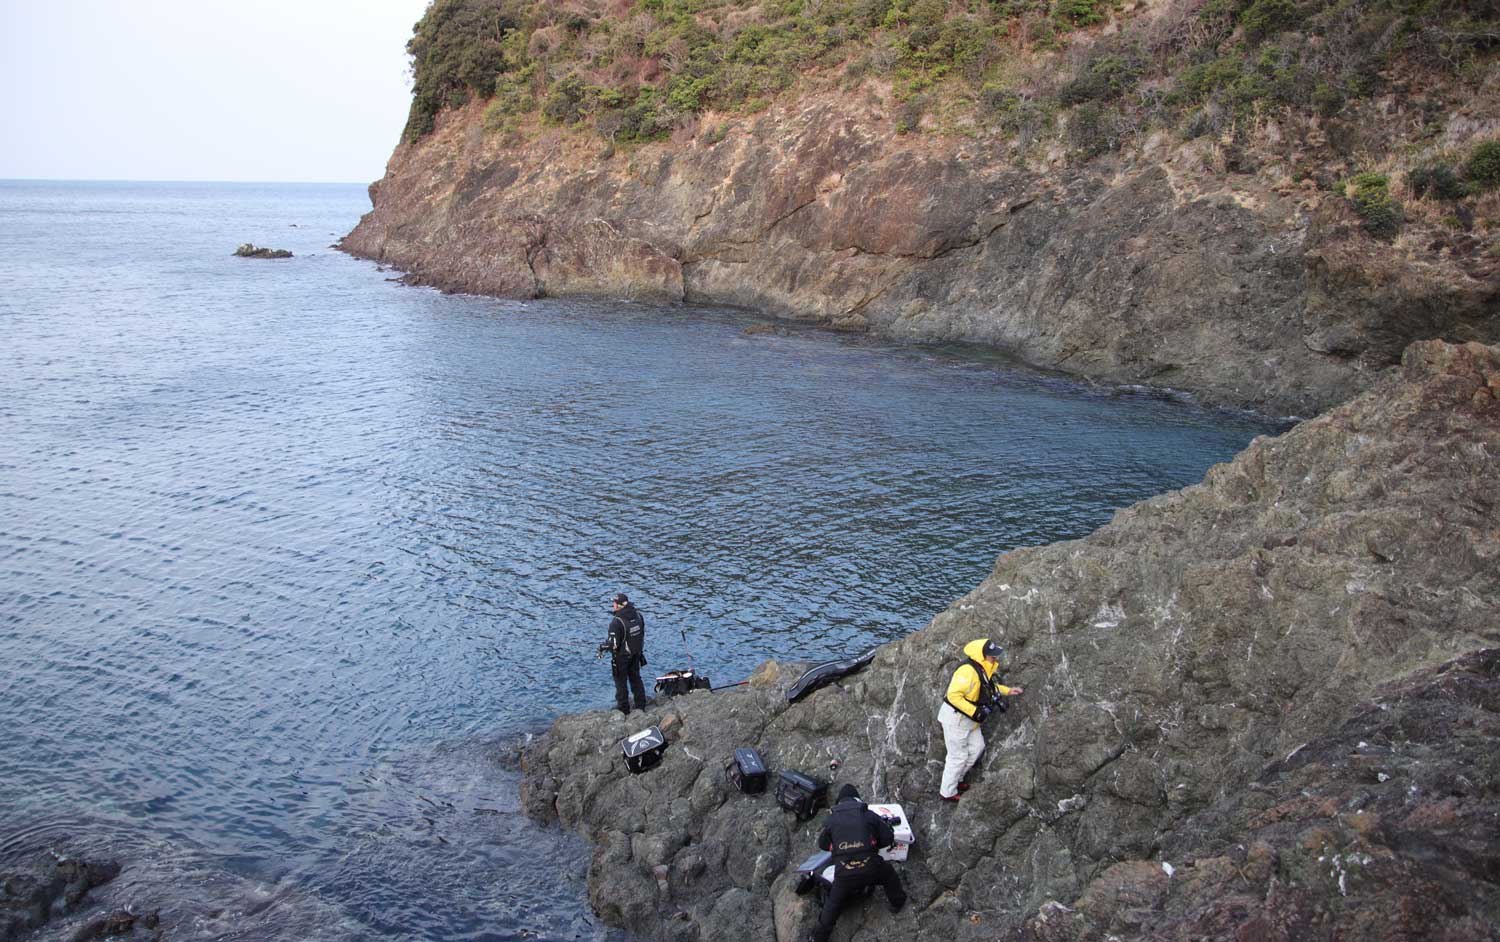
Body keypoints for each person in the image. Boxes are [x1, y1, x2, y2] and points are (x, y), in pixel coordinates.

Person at [810, 784, 906, 942]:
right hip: (871, 868)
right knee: (889, 875)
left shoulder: (832, 819)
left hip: (845, 874)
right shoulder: (868, 814)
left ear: (840, 802)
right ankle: (897, 903)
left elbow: (823, 844)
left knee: (832, 905)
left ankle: (818, 938)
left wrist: (839, 847)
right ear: (857, 799)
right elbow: (888, 838)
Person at [938, 638, 1023, 801]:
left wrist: (1008, 690)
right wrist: (975, 712)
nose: (995, 658)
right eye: (992, 656)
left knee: (977, 748)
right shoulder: (967, 671)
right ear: (982, 655)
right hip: (956, 721)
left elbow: (988, 688)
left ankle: (957, 779)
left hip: (970, 721)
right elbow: (953, 696)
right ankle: (947, 792)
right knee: (958, 756)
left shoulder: (983, 669)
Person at [599, 592, 648, 715]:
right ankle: (641, 705)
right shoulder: (638, 615)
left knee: (621, 682)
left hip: (621, 657)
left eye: (614, 603)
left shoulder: (616, 622)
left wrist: (603, 646)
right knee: (636, 678)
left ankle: (623, 708)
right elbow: (642, 633)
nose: (612, 605)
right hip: (636, 653)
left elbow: (613, 644)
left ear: (619, 606)